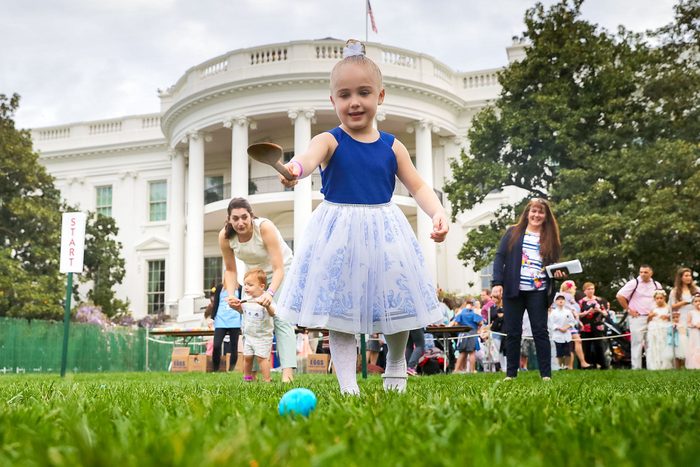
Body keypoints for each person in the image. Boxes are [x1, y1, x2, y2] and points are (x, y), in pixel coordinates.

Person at [274, 39, 448, 395]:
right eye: (345, 94)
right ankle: (347, 386)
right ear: (333, 101)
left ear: (380, 97)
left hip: (385, 230)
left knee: (397, 306)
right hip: (339, 233)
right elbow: (306, 158)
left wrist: (438, 212)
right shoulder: (329, 139)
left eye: (364, 92)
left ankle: (396, 363)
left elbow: (417, 187)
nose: (354, 102)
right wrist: (293, 168)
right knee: (341, 313)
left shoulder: (392, 145)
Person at [218, 197, 297, 382]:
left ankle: (287, 374)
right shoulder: (225, 236)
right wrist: (230, 296)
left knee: (280, 318)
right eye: (235, 218)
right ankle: (251, 374)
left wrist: (269, 294)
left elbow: (279, 268)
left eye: (244, 217)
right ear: (229, 219)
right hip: (254, 275)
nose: (240, 222)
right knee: (252, 321)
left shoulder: (264, 228)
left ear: (251, 216)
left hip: (281, 271)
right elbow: (230, 270)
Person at [491, 198, 563, 381]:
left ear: (546, 216)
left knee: (540, 331)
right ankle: (511, 375)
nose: (536, 215)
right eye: (534, 211)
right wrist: (497, 283)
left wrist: (558, 273)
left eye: (541, 212)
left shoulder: (550, 237)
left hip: (538, 291)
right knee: (513, 332)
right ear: (527, 213)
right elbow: (500, 257)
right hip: (513, 290)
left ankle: (546, 374)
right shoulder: (513, 232)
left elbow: (553, 264)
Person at [232, 269, 276, 382]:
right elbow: (242, 311)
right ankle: (247, 378)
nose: (246, 287)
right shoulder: (246, 300)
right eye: (245, 284)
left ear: (261, 286)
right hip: (249, 336)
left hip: (262, 337)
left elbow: (273, 313)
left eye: (250, 285)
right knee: (247, 357)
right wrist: (236, 306)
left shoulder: (266, 299)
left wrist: (267, 306)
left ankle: (267, 379)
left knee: (262, 358)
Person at [616, 265, 663, 370]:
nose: (642, 274)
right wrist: (629, 310)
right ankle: (636, 368)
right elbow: (620, 295)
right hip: (637, 317)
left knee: (651, 343)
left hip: (652, 317)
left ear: (651, 273)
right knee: (636, 343)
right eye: (641, 272)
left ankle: (653, 367)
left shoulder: (656, 284)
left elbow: (661, 299)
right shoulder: (634, 283)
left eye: (645, 272)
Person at [210, 282, 242, 372]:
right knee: (216, 345)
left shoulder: (240, 288)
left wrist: (242, 320)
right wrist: (212, 318)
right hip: (221, 320)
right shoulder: (219, 288)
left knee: (234, 346)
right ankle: (215, 369)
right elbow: (216, 303)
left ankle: (231, 369)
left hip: (235, 320)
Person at [669, 268, 697, 368]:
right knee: (681, 342)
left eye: (690, 275)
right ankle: (679, 366)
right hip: (681, 318)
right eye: (686, 275)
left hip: (694, 318)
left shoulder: (696, 289)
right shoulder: (675, 291)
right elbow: (670, 307)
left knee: (694, 341)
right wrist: (683, 303)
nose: (688, 278)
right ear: (680, 278)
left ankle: (693, 364)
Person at [559, 280, 590, 369]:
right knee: (576, 341)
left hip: (570, 323)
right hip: (566, 323)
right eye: (574, 286)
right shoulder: (564, 297)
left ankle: (571, 366)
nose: (575, 288)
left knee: (572, 343)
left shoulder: (570, 298)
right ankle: (580, 363)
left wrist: (580, 317)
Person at [578, 282, 608, 369]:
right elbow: (578, 314)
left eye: (592, 289)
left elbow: (606, 313)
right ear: (584, 291)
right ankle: (587, 365)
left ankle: (602, 365)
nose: (591, 291)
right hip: (585, 326)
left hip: (597, 326)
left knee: (599, 345)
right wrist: (587, 312)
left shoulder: (600, 300)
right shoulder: (581, 302)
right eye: (588, 289)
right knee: (586, 346)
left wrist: (599, 310)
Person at [451, 300, 483, 373]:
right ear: (473, 305)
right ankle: (472, 370)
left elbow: (456, 323)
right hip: (472, 333)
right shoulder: (474, 312)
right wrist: (477, 326)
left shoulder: (461, 312)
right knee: (472, 352)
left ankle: (456, 370)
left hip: (463, 334)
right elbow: (480, 322)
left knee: (462, 352)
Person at [645, 290, 673, 370]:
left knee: (664, 345)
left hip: (664, 327)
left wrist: (667, 317)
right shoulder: (653, 308)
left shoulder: (668, 307)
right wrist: (650, 316)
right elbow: (648, 320)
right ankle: (655, 365)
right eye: (657, 298)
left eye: (661, 298)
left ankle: (666, 364)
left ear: (664, 298)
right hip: (654, 328)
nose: (659, 300)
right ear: (655, 299)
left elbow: (672, 319)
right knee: (654, 346)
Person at [549, 293, 577, 370]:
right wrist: (559, 328)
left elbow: (573, 321)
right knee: (559, 353)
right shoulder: (553, 312)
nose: (560, 301)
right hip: (557, 335)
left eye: (562, 299)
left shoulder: (568, 312)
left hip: (567, 335)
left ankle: (567, 366)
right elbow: (551, 323)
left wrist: (566, 327)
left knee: (568, 352)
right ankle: (560, 366)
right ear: (555, 301)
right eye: (558, 299)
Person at [685, 294, 700, 369]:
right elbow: (688, 323)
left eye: (699, 301)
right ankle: (695, 365)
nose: (698, 303)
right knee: (695, 348)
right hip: (695, 333)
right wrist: (695, 325)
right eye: (696, 301)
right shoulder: (691, 312)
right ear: (693, 303)